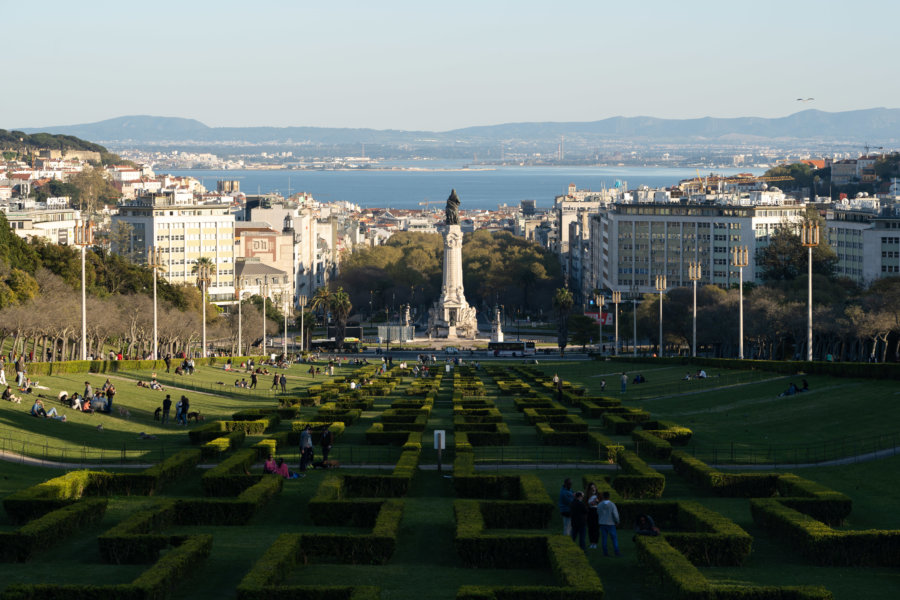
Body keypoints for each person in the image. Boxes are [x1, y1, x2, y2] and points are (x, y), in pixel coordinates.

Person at [597, 491, 621, 557]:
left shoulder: (599, 504)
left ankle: (605, 553)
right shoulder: (612, 504)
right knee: (614, 539)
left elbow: (598, 513)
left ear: (603, 496)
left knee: (604, 539)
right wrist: (617, 521)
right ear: (609, 496)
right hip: (611, 523)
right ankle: (617, 552)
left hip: (602, 523)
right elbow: (615, 514)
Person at [585, 482, 601, 549]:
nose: (593, 489)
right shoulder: (588, 496)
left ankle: (595, 543)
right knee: (590, 528)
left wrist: (596, 502)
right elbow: (587, 504)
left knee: (596, 528)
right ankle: (591, 542)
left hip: (596, 512)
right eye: (592, 488)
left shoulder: (598, 495)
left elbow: (599, 503)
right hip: (590, 512)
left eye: (594, 487)